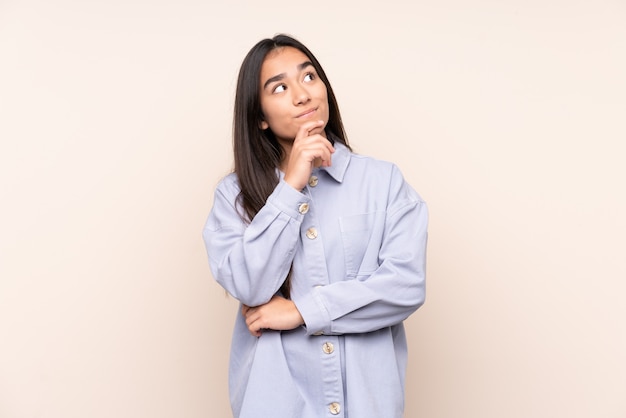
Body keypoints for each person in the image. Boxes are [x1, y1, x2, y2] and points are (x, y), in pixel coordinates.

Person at [203, 34, 428, 418]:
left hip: (368, 405)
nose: (302, 95)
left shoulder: (383, 182)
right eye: (280, 87)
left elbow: (405, 285)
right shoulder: (234, 196)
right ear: (258, 115)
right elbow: (249, 285)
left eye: (309, 77)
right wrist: (289, 188)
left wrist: (303, 311)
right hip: (274, 404)